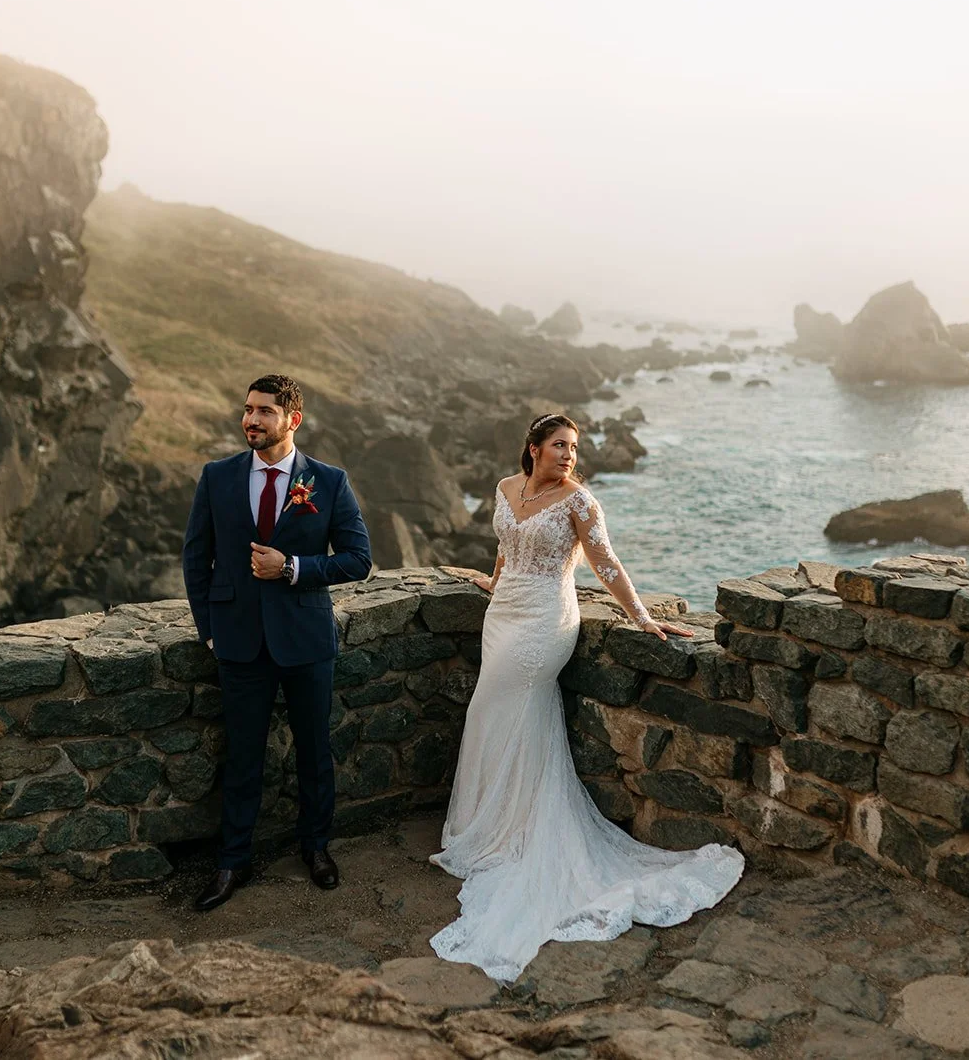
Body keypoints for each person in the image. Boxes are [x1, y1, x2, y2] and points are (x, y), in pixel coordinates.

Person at [429, 412, 744, 982]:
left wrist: (644, 619)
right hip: (503, 614)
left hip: (546, 621)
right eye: (559, 445)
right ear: (533, 449)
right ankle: (493, 824)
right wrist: (495, 581)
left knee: (504, 708)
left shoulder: (581, 503)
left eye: (574, 447)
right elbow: (506, 544)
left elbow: (607, 566)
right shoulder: (505, 489)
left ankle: (518, 832)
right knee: (493, 715)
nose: (569, 455)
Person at [182, 374, 372, 911]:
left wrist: (291, 566)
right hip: (238, 640)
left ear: (293, 419)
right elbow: (197, 558)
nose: (251, 420)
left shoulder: (329, 482)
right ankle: (232, 861)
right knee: (243, 757)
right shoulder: (217, 477)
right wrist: (210, 630)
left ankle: (316, 848)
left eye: (264, 411)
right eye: (247, 410)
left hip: (306, 639)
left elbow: (358, 560)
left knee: (315, 753)